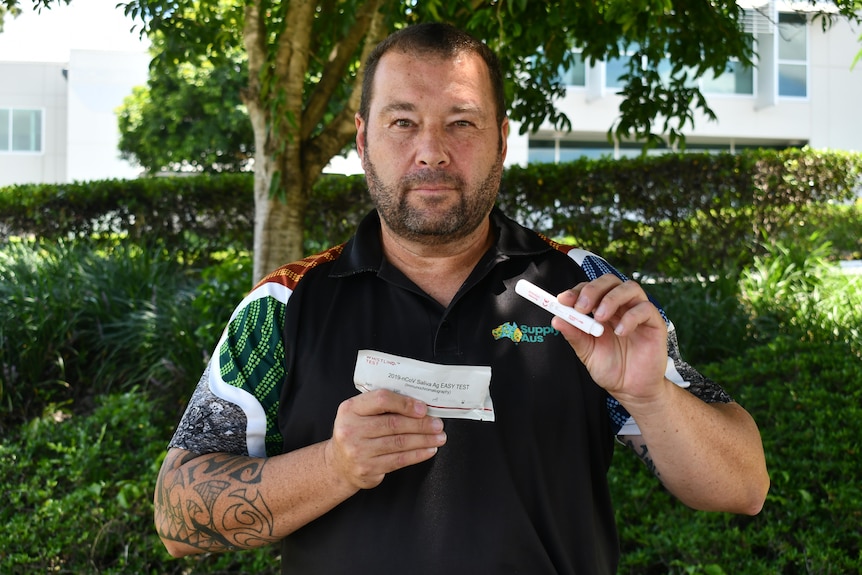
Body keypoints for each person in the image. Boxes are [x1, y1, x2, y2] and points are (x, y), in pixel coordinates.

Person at [154, 22, 769, 574]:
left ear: (501, 139)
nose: (432, 151)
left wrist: (649, 396)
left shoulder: (580, 290)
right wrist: (333, 468)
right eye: (403, 122)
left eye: (461, 122)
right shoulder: (285, 304)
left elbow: (744, 486)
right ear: (364, 140)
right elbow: (176, 516)